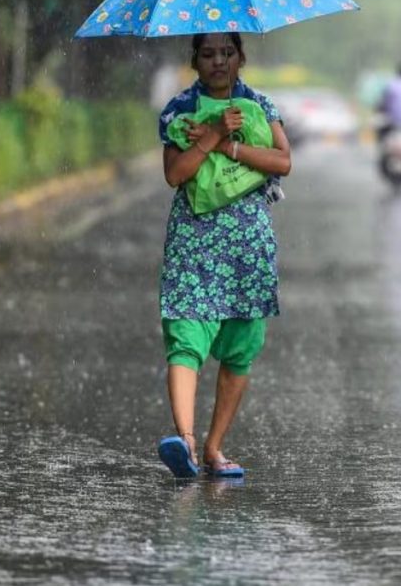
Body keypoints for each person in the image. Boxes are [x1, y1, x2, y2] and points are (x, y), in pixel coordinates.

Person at [156, 32, 291, 479]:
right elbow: (175, 174)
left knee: (240, 347)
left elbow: (282, 162)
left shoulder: (259, 106)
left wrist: (230, 145)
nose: (218, 61)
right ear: (194, 59)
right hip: (194, 241)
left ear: (241, 58)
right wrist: (208, 137)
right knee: (186, 333)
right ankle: (187, 442)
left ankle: (215, 448)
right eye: (209, 54)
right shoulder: (179, 111)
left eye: (227, 53)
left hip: (247, 244)